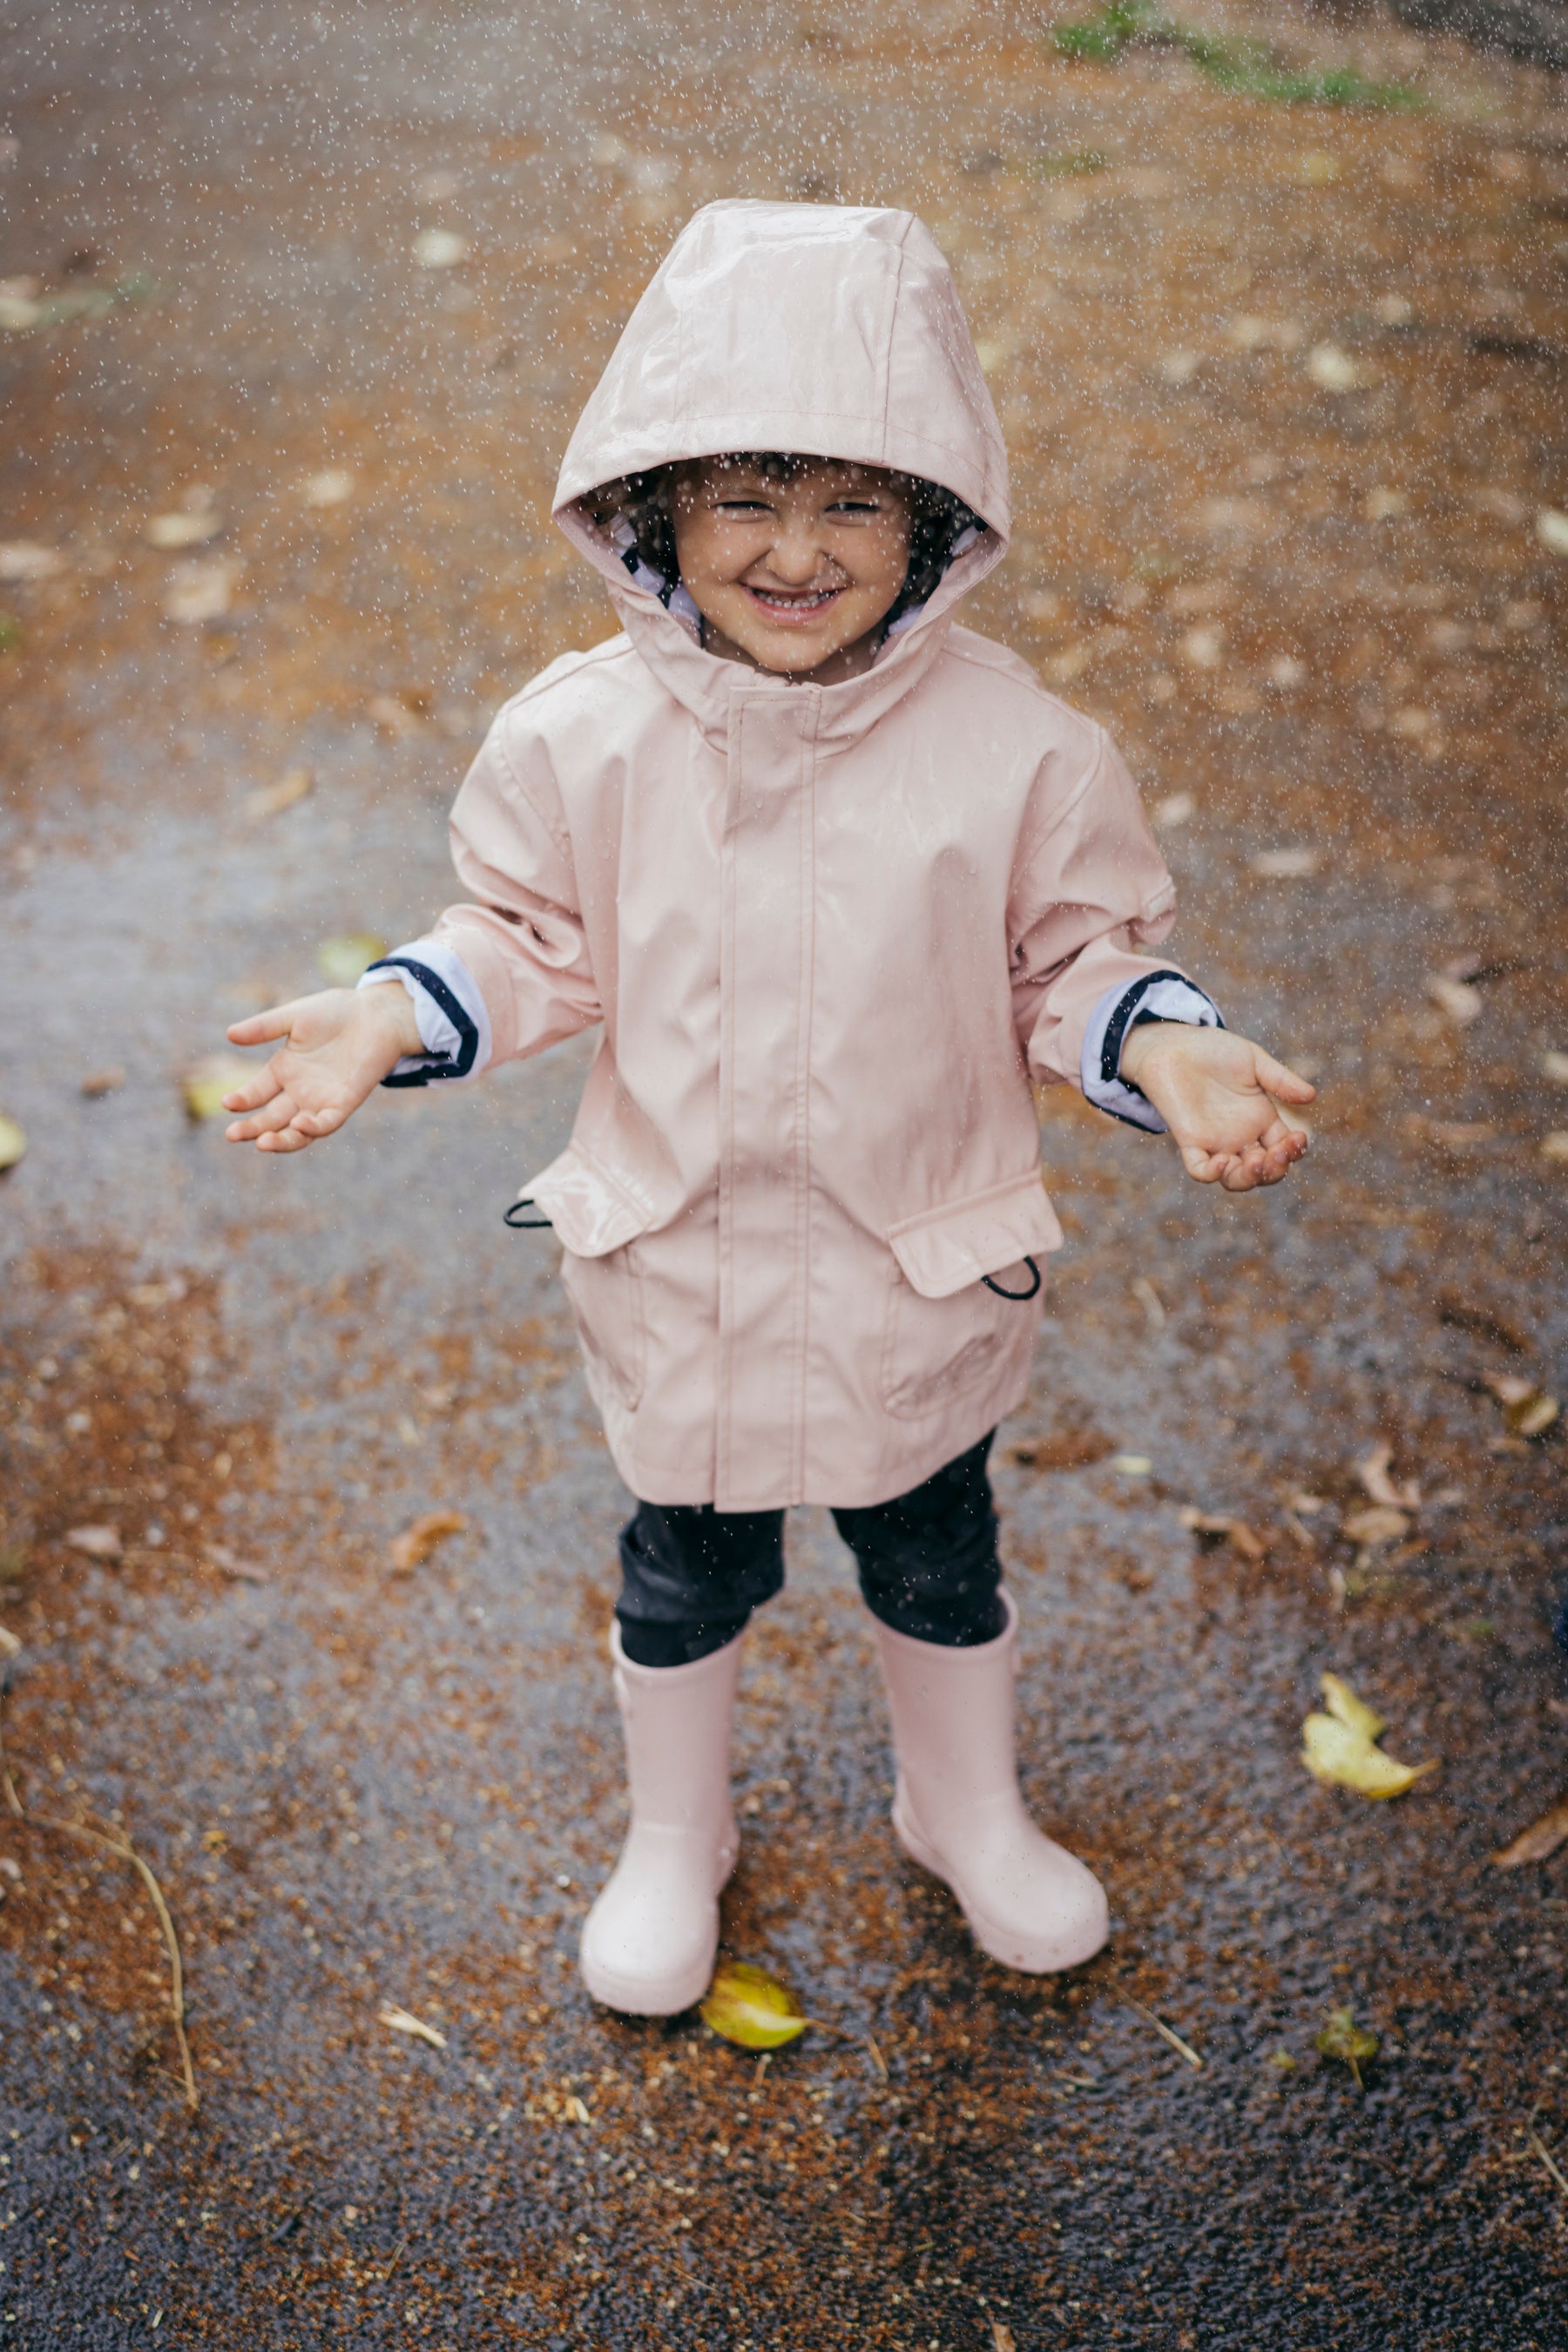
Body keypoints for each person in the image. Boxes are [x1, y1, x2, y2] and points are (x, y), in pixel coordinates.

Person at [223, 201, 1314, 2017]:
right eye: (745, 498)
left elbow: (1074, 961)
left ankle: (959, 1807)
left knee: (938, 1556)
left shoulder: (1022, 751)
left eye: (854, 504)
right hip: (684, 1271)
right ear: (654, 507)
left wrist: (1165, 1043)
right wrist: (387, 1020)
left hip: (916, 1274)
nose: (797, 552)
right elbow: (527, 942)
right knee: (685, 1571)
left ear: (937, 525)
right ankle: (677, 1833)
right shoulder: (583, 738)